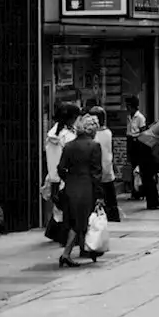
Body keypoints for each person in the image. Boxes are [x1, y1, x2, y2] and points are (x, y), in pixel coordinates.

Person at [56, 113, 103, 268]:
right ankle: (67, 254)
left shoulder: (69, 146)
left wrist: (69, 178)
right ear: (92, 130)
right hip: (86, 186)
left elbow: (61, 168)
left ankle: (84, 249)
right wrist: (99, 194)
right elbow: (96, 172)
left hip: (71, 185)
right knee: (81, 221)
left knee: (72, 220)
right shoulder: (94, 146)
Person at [43, 103, 80, 242]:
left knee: (61, 210)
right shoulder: (62, 137)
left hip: (61, 177)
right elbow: (59, 162)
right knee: (66, 211)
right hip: (64, 178)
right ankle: (66, 239)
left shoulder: (58, 133)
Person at [90, 106, 120, 223]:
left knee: (97, 196)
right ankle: (113, 216)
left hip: (96, 170)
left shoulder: (94, 136)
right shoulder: (108, 132)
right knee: (110, 196)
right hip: (107, 169)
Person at [125, 95, 146, 199]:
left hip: (137, 142)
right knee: (132, 168)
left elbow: (143, 132)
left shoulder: (140, 117)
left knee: (139, 169)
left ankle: (140, 192)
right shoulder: (129, 117)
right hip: (131, 142)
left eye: (128, 106)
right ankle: (134, 192)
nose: (126, 108)